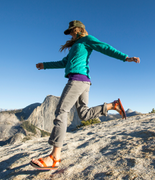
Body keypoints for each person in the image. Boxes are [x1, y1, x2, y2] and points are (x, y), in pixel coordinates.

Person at [30, 20, 140, 170]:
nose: (71, 34)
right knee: (84, 114)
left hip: (77, 80)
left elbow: (105, 47)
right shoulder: (75, 46)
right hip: (84, 82)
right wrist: (45, 65)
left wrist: (125, 57)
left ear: (79, 29)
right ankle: (112, 105)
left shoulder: (87, 40)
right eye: (69, 32)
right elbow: (64, 62)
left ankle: (55, 157)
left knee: (61, 111)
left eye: (72, 31)